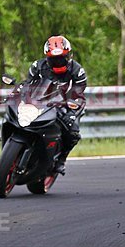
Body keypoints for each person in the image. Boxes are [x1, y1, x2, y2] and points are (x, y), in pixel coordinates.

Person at [26, 35, 87, 174]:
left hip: (64, 104)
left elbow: (78, 92)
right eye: (54, 60)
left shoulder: (77, 70)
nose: (58, 62)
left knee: (73, 132)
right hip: (39, 102)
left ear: (69, 56)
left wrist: (72, 112)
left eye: (61, 58)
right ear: (47, 58)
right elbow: (27, 85)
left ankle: (61, 160)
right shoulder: (37, 66)